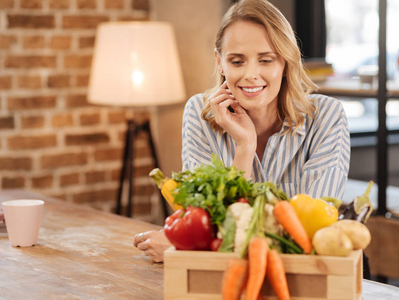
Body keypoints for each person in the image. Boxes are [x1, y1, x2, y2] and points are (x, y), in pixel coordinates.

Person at [134, 0, 350, 264]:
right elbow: (199, 216)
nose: (250, 74)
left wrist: (186, 246)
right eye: (237, 61)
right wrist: (245, 146)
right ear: (220, 62)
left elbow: (308, 234)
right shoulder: (199, 115)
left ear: (285, 62)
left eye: (265, 60)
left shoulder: (326, 117)